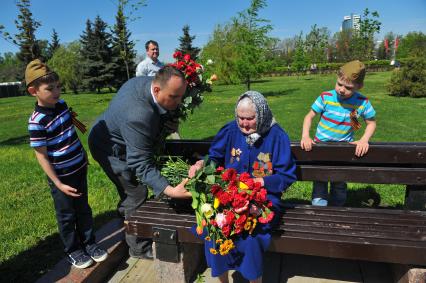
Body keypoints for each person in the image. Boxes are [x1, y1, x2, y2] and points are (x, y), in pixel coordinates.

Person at [189, 91, 296, 283]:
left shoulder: (276, 136)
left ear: (261, 114)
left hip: (264, 198)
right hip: (229, 195)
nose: (244, 124)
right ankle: (223, 280)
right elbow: (214, 157)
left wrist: (261, 182)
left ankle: (254, 280)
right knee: (214, 228)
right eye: (240, 118)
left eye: (250, 118)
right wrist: (201, 164)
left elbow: (286, 176)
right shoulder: (231, 130)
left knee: (250, 235)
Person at [88, 66, 191, 260]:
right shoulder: (138, 115)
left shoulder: (148, 84)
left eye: (180, 97)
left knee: (131, 192)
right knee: (136, 193)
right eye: (174, 97)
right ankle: (138, 248)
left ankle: (126, 214)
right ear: (157, 89)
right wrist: (169, 190)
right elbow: (139, 162)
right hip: (110, 149)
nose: (178, 103)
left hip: (118, 134)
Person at [26, 59, 108, 269]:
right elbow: (42, 156)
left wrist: (83, 157)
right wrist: (58, 183)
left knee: (83, 209)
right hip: (61, 177)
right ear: (33, 91)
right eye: (49, 88)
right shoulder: (37, 121)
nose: (56, 92)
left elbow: (71, 135)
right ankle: (73, 250)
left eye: (58, 87)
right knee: (66, 215)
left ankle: (90, 244)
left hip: (78, 168)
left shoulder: (62, 106)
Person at [300, 60, 377, 207]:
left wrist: (364, 140)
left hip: (343, 150)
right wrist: (305, 135)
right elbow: (309, 116)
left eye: (348, 87)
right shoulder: (326, 97)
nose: (341, 89)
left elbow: (371, 123)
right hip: (321, 148)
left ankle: (336, 211)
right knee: (320, 183)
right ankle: (320, 212)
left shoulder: (362, 102)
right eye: (339, 84)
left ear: (359, 86)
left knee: (339, 184)